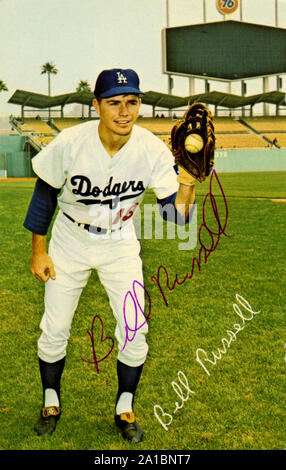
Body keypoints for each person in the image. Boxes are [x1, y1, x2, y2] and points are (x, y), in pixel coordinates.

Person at [23, 68, 196, 443]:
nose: (123, 112)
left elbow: (175, 216)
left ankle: (125, 406)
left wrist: (188, 182)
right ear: (96, 105)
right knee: (54, 328)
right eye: (114, 103)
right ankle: (51, 400)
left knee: (135, 330)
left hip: (121, 243)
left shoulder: (151, 148)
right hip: (71, 239)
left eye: (132, 102)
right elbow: (44, 199)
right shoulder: (71, 142)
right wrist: (39, 252)